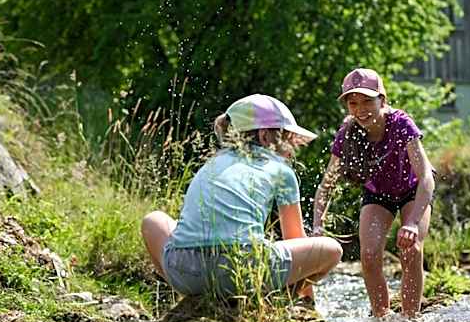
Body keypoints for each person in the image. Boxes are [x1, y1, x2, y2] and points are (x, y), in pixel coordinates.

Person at [142, 93, 342, 303]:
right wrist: (309, 306)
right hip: (240, 274)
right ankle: (280, 304)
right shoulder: (281, 170)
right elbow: (295, 239)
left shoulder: (211, 163)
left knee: (153, 220)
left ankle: (191, 301)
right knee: (331, 249)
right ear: (265, 136)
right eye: (287, 140)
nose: (291, 151)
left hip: (183, 273)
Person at [312, 67, 434, 318]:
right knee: (368, 254)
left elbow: (425, 177)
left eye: (368, 101)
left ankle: (410, 320)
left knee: (411, 249)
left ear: (383, 100)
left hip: (413, 190)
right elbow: (327, 184)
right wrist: (317, 225)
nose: (360, 109)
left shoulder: (402, 124)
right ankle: (382, 318)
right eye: (353, 103)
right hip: (377, 194)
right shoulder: (347, 132)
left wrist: (410, 223)